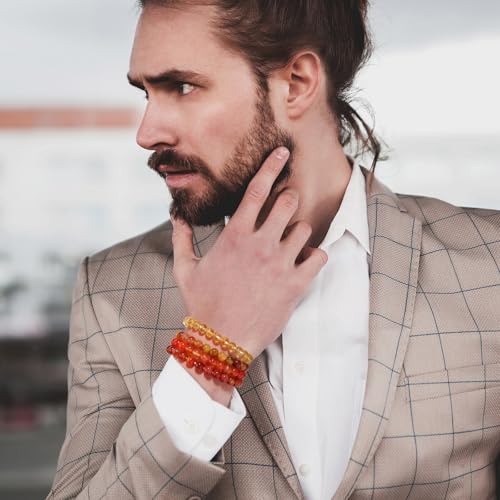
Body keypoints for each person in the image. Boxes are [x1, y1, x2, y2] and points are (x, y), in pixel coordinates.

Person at [48, 1, 500, 499]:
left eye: (182, 87)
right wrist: (209, 355)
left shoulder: (490, 264)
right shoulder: (111, 290)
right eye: (147, 93)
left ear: (297, 83)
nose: (147, 133)